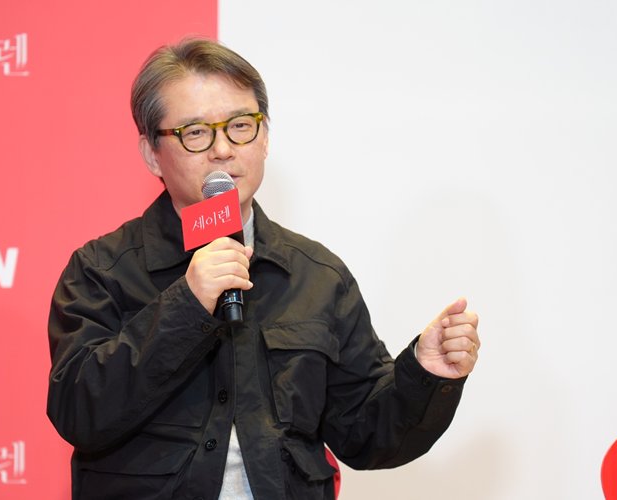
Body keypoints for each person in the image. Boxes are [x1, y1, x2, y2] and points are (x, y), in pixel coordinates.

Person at [46, 38, 480, 500]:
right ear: (152, 152)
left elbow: (365, 434)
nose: (223, 150)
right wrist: (185, 305)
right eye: (196, 132)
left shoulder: (316, 276)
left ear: (265, 137)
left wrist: (425, 374)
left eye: (240, 126)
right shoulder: (101, 271)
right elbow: (79, 412)